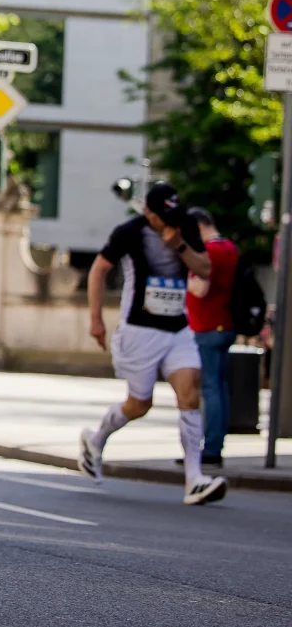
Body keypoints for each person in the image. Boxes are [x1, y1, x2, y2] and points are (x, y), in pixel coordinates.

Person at [79, 183, 228, 505]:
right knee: (138, 405)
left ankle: (194, 479)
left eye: (173, 213)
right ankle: (96, 438)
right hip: (140, 332)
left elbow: (204, 269)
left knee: (190, 393)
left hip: (178, 328)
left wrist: (179, 247)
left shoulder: (184, 226)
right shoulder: (129, 232)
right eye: (163, 215)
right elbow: (98, 270)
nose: (170, 220)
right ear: (148, 212)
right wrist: (95, 319)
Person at [185, 208, 238, 471]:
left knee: (210, 388)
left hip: (207, 325)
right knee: (218, 386)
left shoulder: (210, 252)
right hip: (224, 322)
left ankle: (212, 447)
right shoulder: (229, 247)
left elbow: (199, 288)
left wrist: (185, 269)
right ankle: (215, 443)